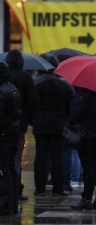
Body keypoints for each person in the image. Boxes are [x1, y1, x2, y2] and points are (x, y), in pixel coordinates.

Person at [32, 56, 74, 196]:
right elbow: (71, 106)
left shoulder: (35, 83)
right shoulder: (64, 84)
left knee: (41, 155)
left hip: (40, 124)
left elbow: (29, 104)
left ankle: (40, 188)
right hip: (58, 124)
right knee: (58, 156)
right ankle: (58, 188)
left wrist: (34, 120)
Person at [6, 49, 36, 202]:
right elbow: (31, 102)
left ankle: (6, 189)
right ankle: (16, 190)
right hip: (19, 124)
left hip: (3, 124)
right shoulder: (26, 77)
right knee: (16, 158)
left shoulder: (5, 77)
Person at [0, 62, 22, 216]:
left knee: (4, 170)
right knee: (12, 169)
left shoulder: (1, 91)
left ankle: (5, 204)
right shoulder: (14, 89)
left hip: (3, 135)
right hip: (14, 133)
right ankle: (13, 204)